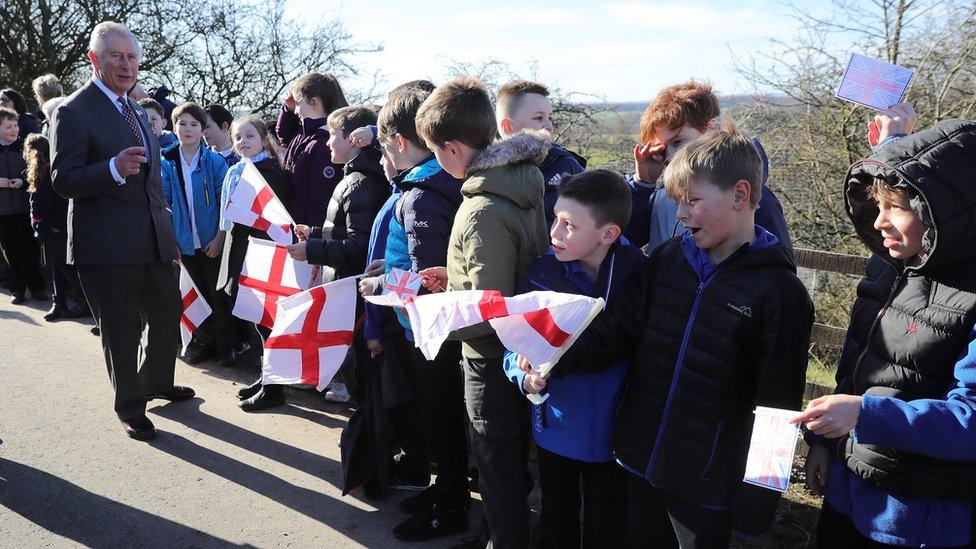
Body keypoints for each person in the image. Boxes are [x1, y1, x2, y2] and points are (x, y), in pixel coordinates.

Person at [522, 121, 814, 547]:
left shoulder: (779, 293)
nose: (680, 215)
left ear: (740, 194)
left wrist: (756, 507)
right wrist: (551, 356)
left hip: (706, 482)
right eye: (678, 201)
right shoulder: (667, 260)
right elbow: (616, 333)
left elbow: (777, 404)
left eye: (693, 201)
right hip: (639, 460)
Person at [793, 116, 976, 549]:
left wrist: (863, 414)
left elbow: (970, 420)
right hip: (850, 492)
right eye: (877, 206)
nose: (879, 222)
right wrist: (822, 442)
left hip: (919, 520)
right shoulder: (887, 268)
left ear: (947, 211)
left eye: (898, 207)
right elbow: (856, 361)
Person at [415, 76, 551, 548]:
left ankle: (505, 539)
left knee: (496, 463)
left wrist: (426, 312)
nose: (435, 159)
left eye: (433, 150)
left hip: (489, 358)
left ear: (452, 149)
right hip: (517, 350)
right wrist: (451, 279)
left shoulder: (480, 208)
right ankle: (501, 533)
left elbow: (488, 309)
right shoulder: (520, 181)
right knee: (507, 462)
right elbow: (497, 275)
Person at [50, 21, 193, 441]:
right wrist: (111, 169)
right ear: (95, 60)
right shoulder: (72, 111)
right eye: (116, 56)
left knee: (169, 314)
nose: (126, 65)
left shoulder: (133, 107)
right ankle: (130, 406)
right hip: (106, 246)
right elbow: (63, 179)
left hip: (152, 240)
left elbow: (150, 184)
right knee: (121, 329)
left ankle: (155, 383)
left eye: (131, 57)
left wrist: (167, 239)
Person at [504, 169, 638, 548]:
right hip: (556, 428)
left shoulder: (638, 274)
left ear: (608, 234)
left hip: (616, 434)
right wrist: (522, 374)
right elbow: (515, 342)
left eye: (569, 225)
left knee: (607, 524)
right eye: (555, 219)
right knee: (556, 517)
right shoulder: (541, 274)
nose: (555, 233)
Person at [360, 89, 468, 542]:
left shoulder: (422, 193)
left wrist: (381, 286)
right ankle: (445, 491)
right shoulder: (432, 183)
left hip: (431, 331)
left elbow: (432, 280)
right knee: (439, 419)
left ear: (400, 142)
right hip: (430, 328)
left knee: (442, 422)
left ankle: (449, 507)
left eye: (384, 146)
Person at [624, 80, 792, 252]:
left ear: (712, 129)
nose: (668, 157)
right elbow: (620, 238)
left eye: (677, 142)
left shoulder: (754, 200)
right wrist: (642, 185)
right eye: (662, 148)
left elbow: (776, 266)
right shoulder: (661, 197)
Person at [215, 114, 291, 373]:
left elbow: (274, 217)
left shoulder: (271, 172)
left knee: (265, 312)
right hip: (238, 247)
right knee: (247, 308)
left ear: (263, 140)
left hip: (262, 251)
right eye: (238, 137)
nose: (243, 141)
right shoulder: (235, 170)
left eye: (249, 136)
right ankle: (263, 371)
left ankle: (271, 373)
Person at [160, 102, 231, 367]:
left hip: (212, 241)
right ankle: (203, 342)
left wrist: (219, 238)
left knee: (219, 296)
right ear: (173, 126)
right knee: (196, 295)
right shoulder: (167, 161)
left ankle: (227, 346)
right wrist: (173, 242)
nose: (187, 129)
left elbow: (226, 202)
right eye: (182, 123)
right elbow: (163, 204)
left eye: (194, 124)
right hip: (184, 242)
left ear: (202, 129)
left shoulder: (214, 161)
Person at [496, 80, 586, 228]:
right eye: (538, 118)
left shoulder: (565, 165)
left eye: (549, 118)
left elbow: (601, 211)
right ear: (507, 126)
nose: (549, 126)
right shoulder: (485, 171)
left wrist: (638, 182)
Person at [24, 133, 87, 320]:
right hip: (58, 226)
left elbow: (40, 203)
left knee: (65, 267)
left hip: (53, 227)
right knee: (56, 267)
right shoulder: (51, 168)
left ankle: (84, 301)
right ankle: (58, 302)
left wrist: (37, 220)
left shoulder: (44, 172)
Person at [276, 72, 347, 227]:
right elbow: (284, 136)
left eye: (299, 104)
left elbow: (320, 199)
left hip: (306, 232)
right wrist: (287, 109)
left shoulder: (324, 142)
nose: (296, 111)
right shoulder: (305, 134)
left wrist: (311, 238)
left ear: (314, 102)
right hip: (296, 225)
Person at [0, 107, 46, 304]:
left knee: (30, 250)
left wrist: (23, 183)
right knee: (10, 252)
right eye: (8, 126)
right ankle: (17, 289)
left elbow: (37, 174)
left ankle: (37, 287)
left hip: (25, 209)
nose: (14, 130)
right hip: (2, 212)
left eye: (16, 125)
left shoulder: (24, 148)